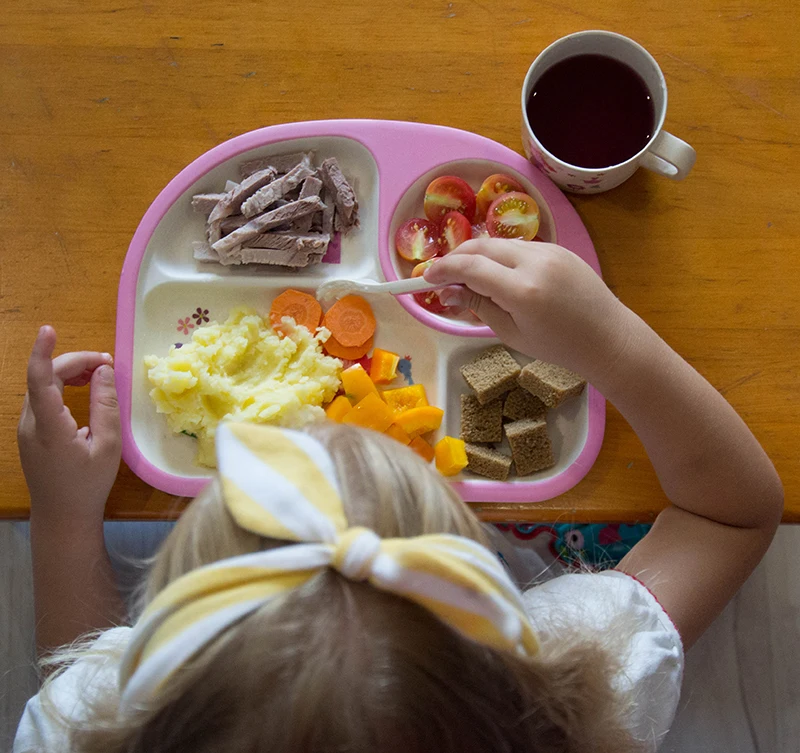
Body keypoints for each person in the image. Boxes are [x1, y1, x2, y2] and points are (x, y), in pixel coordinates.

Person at [14, 239, 783, 753]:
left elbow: (74, 684)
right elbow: (732, 512)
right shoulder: (576, 692)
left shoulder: (77, 727)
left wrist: (63, 519)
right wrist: (606, 338)